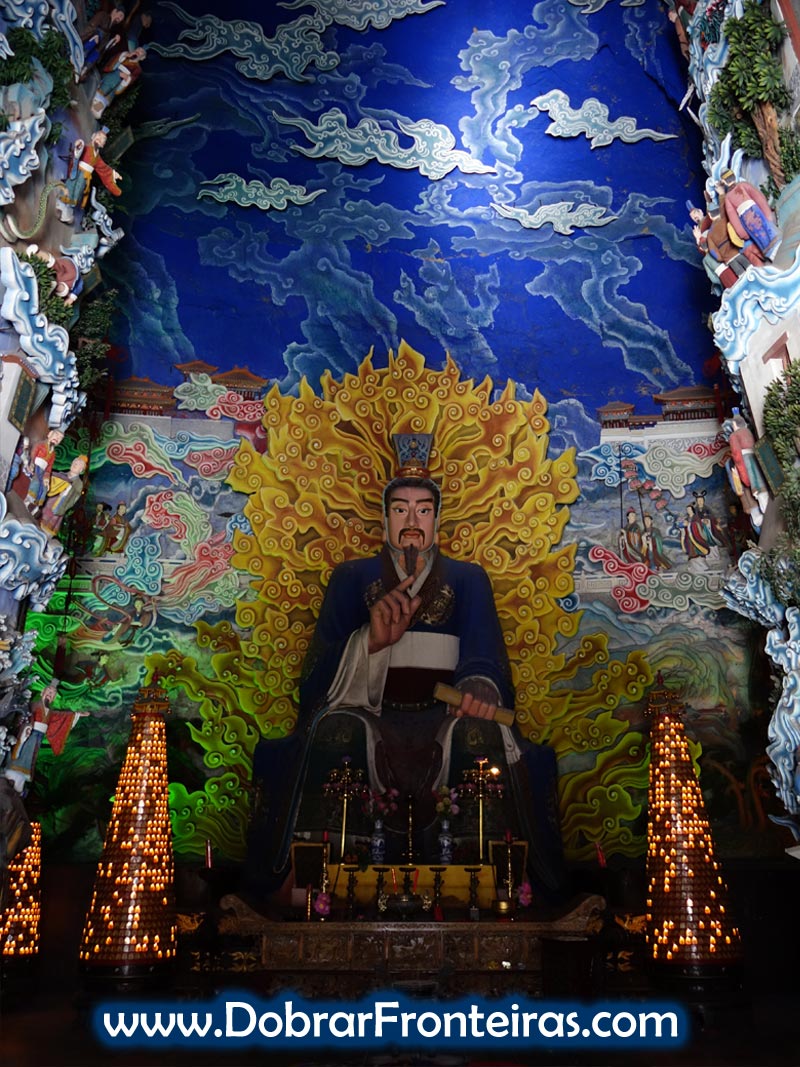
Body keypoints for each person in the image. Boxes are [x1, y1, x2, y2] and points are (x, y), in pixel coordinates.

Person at [247, 434, 564, 897]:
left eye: (423, 510)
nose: (412, 521)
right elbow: (317, 670)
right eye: (400, 509)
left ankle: (495, 876)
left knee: (481, 735)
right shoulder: (352, 577)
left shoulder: (468, 579)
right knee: (337, 731)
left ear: (437, 519)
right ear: (384, 519)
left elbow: (484, 651)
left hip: (443, 714)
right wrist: (369, 642)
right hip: (371, 710)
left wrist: (480, 687)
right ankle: (319, 876)